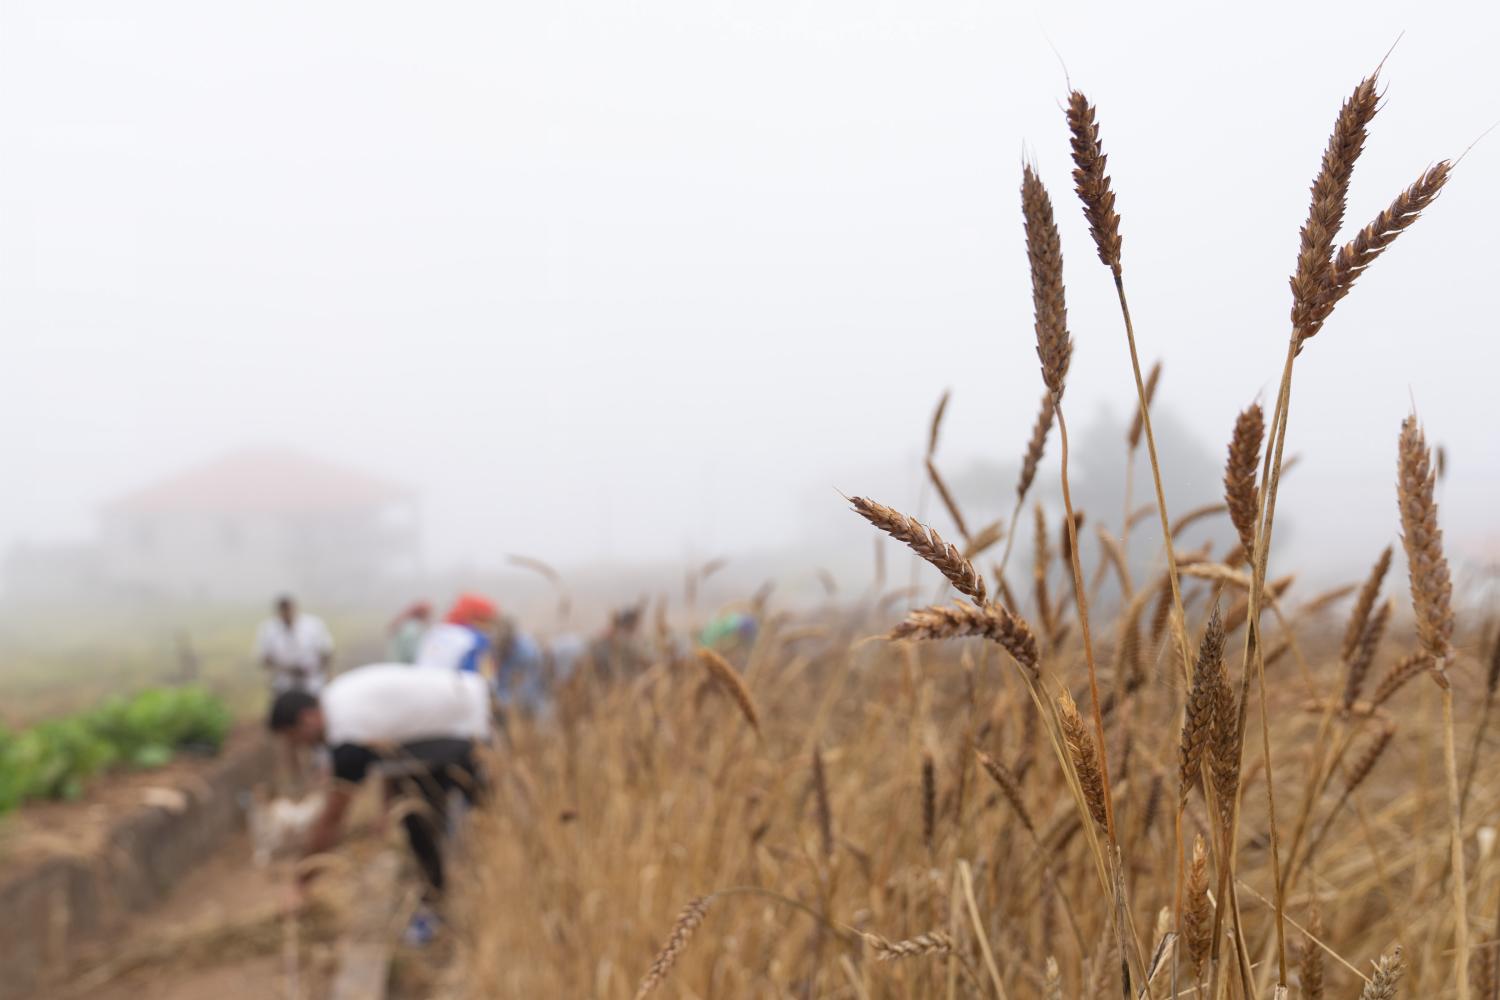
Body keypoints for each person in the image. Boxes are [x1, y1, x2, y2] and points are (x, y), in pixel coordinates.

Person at [267, 664, 490, 937]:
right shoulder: (339, 698)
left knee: (488, 818)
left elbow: (332, 819)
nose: (300, 746)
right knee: (417, 817)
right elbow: (393, 752)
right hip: (461, 717)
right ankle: (437, 900)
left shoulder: (344, 733)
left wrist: (299, 883)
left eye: (295, 738)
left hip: (473, 724)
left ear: (307, 718)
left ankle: (454, 905)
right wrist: (387, 809)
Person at [255, 594, 335, 694]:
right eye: (283, 611)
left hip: (313, 682)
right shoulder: (268, 629)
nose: (286, 614)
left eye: (288, 610)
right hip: (283, 684)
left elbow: (326, 652)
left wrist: (327, 675)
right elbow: (264, 658)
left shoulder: (313, 625)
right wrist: (286, 669)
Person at [415, 593, 500, 675]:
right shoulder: (473, 639)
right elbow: (475, 675)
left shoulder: (436, 631)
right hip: (453, 686)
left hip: (423, 682)